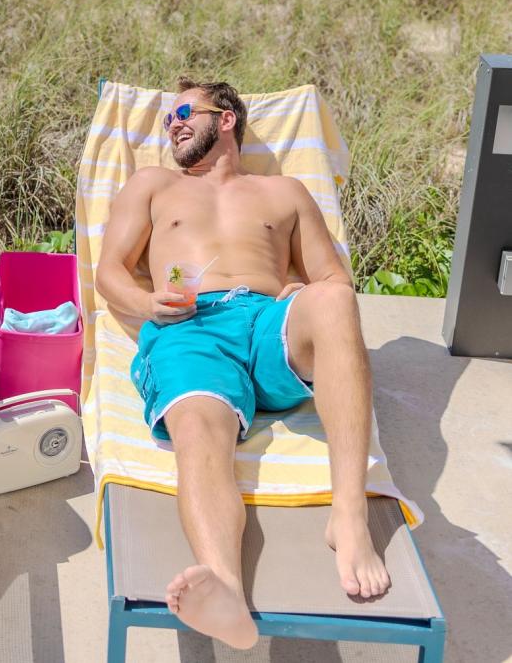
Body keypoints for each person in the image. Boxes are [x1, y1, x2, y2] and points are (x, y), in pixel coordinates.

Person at [95, 78, 390, 649]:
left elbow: (333, 279)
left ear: (225, 118)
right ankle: (224, 586)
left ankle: (348, 516)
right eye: (165, 119)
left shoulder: (284, 192)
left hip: (265, 321)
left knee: (333, 302)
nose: (172, 124)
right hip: (187, 326)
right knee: (199, 427)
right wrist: (146, 304)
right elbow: (109, 273)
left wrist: (296, 293)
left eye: (183, 111)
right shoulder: (154, 185)